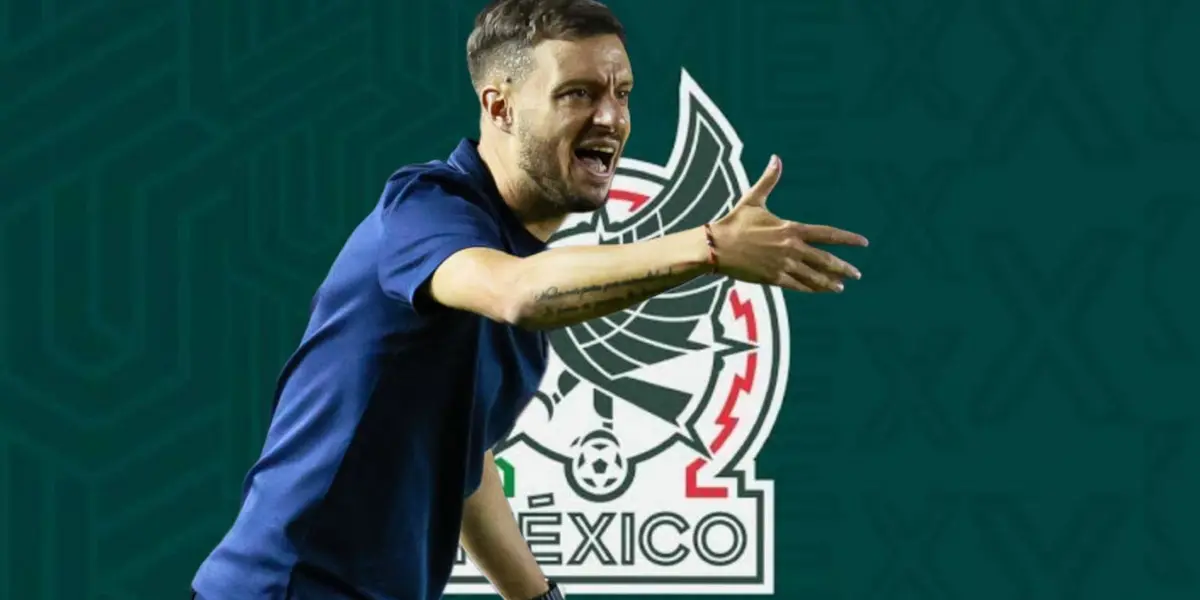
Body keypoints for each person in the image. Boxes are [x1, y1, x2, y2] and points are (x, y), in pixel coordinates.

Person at [189, 0, 867, 598]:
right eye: (576, 94)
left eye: (622, 92)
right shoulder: (426, 213)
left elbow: (464, 459)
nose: (611, 116)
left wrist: (536, 596)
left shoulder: (519, 254)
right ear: (499, 106)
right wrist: (710, 247)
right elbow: (518, 296)